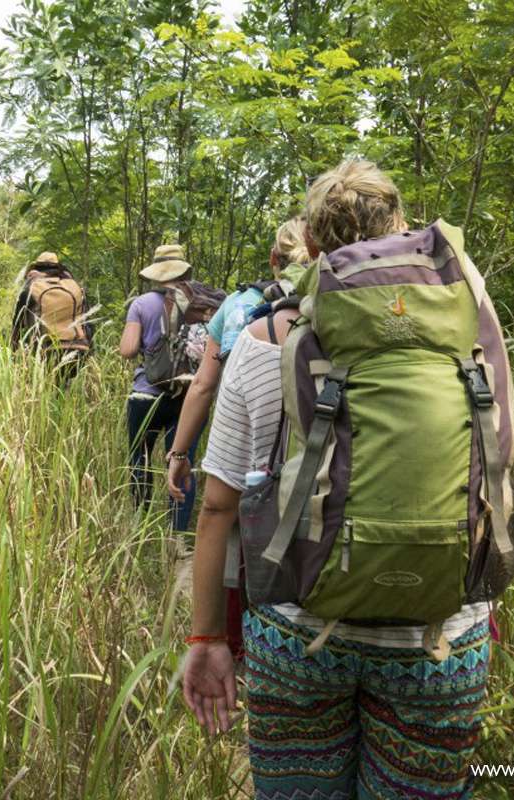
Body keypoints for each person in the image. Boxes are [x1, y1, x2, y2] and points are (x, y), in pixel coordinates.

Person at [182, 161, 498, 799]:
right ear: (402, 231)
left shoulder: (266, 337)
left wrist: (207, 636)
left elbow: (217, 508)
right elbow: (493, 465)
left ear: (315, 248)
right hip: (442, 635)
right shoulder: (467, 331)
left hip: (298, 632)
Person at [165, 218, 309, 659]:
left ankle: (240, 654)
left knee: (235, 551)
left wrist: (180, 451)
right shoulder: (353, 305)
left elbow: (204, 385)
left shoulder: (239, 306)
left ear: (273, 259)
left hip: (246, 462)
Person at [120, 244, 204, 531]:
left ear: (156, 273)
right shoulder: (198, 302)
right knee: (182, 463)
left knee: (139, 458)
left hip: (146, 394)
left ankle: (140, 528)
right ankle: (176, 536)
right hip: (187, 396)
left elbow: (128, 349)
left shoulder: (141, 304)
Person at [11, 251, 92, 382]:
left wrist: (13, 355)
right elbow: (88, 322)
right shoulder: (74, 286)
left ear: (36, 268)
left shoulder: (31, 288)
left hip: (45, 351)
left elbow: (17, 326)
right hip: (78, 350)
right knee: (63, 389)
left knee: (45, 392)